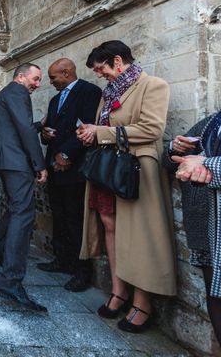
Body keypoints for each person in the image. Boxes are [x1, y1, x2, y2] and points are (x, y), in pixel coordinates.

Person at [76, 40, 176, 333]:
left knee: (138, 236)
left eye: (101, 69)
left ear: (118, 61)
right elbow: (104, 129)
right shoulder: (109, 93)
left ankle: (142, 303)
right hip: (108, 169)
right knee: (109, 225)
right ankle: (119, 292)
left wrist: (101, 132)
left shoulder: (153, 85)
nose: (100, 75)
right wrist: (89, 134)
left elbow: (151, 129)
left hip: (135, 171)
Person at [0, 62, 48, 311]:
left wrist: (40, 126)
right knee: (24, 214)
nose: (37, 84)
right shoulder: (18, 92)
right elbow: (23, 129)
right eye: (35, 78)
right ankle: (10, 282)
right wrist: (39, 164)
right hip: (16, 161)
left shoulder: (8, 93)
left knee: (14, 209)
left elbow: (17, 126)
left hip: (6, 159)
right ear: (20, 77)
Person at [38, 58, 102, 292]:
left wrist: (66, 154)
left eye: (53, 77)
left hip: (75, 167)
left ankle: (81, 271)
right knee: (60, 215)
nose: (51, 82)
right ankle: (61, 260)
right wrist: (45, 135)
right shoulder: (55, 99)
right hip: (55, 168)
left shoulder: (90, 92)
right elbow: (52, 128)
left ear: (66, 72)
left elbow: (87, 127)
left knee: (76, 219)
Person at [164, 112, 221, 344]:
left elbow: (203, 164)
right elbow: (167, 162)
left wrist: (205, 164)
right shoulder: (212, 121)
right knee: (215, 296)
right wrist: (174, 149)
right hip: (202, 224)